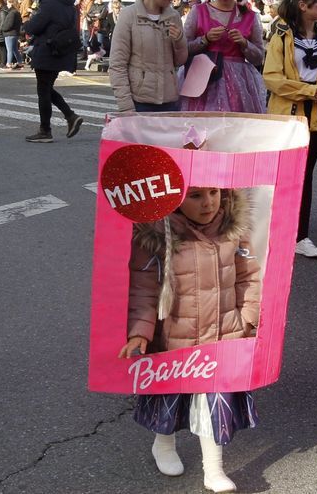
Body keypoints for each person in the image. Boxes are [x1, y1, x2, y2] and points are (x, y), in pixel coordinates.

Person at [121, 186, 261, 494]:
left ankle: (213, 469)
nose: (208, 202)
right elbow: (143, 289)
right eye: (195, 195)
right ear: (173, 197)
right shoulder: (156, 235)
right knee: (171, 398)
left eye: (213, 192)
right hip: (175, 337)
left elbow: (247, 275)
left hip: (223, 333)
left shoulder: (231, 229)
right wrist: (139, 332)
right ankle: (164, 444)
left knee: (213, 402)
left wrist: (249, 317)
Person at [265, 0, 317, 259]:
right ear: (302, 6)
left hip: (315, 116)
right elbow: (271, 78)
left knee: (305, 177)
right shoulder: (282, 35)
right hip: (287, 115)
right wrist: (308, 90)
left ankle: (300, 235)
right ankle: (274, 231)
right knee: (282, 175)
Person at [179, 0, 267, 113]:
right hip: (202, 79)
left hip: (238, 84)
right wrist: (205, 39)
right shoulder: (198, 11)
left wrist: (244, 43)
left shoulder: (250, 16)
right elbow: (183, 49)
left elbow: (259, 57)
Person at [108, 0, 187, 112]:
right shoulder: (129, 16)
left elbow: (180, 61)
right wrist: (126, 108)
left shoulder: (174, 16)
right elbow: (117, 65)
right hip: (139, 102)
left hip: (169, 101)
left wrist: (179, 40)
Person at [23, 0, 84, 143]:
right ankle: (70, 116)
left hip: (47, 49)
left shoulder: (50, 3)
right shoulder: (69, 4)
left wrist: (27, 23)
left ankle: (45, 130)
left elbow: (34, 27)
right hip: (62, 50)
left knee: (43, 90)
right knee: (47, 88)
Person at [0, 0, 22, 69]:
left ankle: (8, 64)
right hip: (15, 33)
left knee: (10, 50)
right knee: (15, 49)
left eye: (8, 3)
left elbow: (9, 24)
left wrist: (2, 28)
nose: (7, 5)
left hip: (9, 33)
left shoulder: (12, 13)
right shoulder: (17, 12)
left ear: (11, 3)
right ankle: (20, 63)